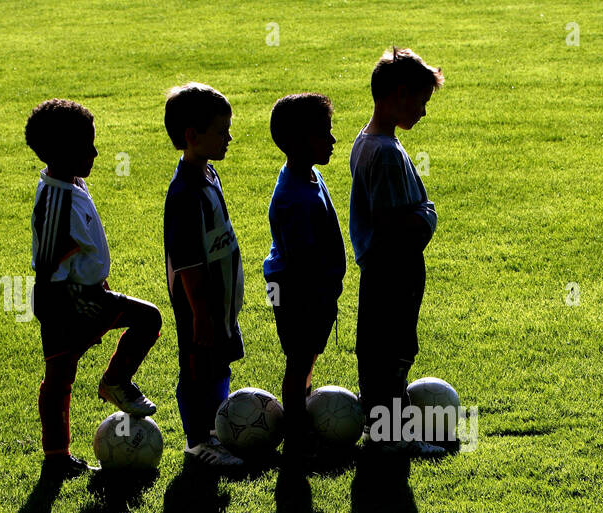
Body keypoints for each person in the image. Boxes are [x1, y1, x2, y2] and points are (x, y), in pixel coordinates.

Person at [25, 99, 161, 479]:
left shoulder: (71, 182)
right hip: (69, 303)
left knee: (61, 378)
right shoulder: (57, 201)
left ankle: (59, 454)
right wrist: (65, 305)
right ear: (60, 152)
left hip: (88, 293)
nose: (96, 152)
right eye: (86, 146)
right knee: (61, 378)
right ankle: (111, 387)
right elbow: (48, 265)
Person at [348, 47, 446, 458]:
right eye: (421, 101)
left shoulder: (368, 139)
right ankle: (394, 438)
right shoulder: (386, 152)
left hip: (381, 269)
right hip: (394, 269)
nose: (424, 112)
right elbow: (395, 226)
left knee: (381, 351)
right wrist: (427, 216)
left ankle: (385, 430)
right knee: (393, 352)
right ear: (400, 94)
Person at [163, 82, 247, 470]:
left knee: (219, 364)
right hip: (201, 305)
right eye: (221, 131)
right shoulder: (183, 193)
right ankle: (199, 441)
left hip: (221, 302)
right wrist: (200, 313)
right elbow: (187, 261)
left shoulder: (209, 175)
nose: (229, 137)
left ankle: (217, 431)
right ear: (192, 136)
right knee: (197, 368)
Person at [262, 93, 346, 466]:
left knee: (306, 355)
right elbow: (302, 261)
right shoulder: (294, 198)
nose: (332, 141)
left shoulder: (309, 174)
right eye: (323, 134)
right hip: (296, 289)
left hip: (310, 287)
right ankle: (297, 433)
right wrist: (322, 293)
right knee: (298, 359)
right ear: (298, 141)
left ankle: (302, 418)